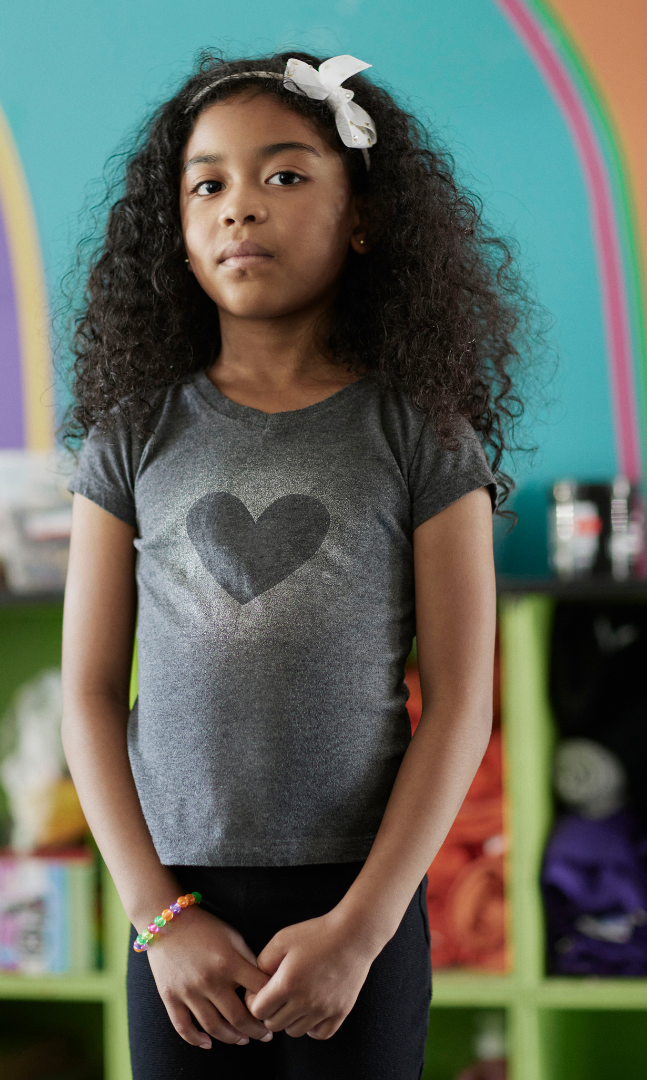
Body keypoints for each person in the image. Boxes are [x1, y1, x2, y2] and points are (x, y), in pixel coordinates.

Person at [59, 50, 529, 1078]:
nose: (240, 209)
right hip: (177, 910)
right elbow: (89, 698)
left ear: (361, 217)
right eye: (209, 185)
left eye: (283, 175)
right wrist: (159, 919)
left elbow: (459, 704)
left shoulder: (424, 438)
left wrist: (361, 931)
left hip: (360, 905)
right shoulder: (128, 442)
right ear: (174, 238)